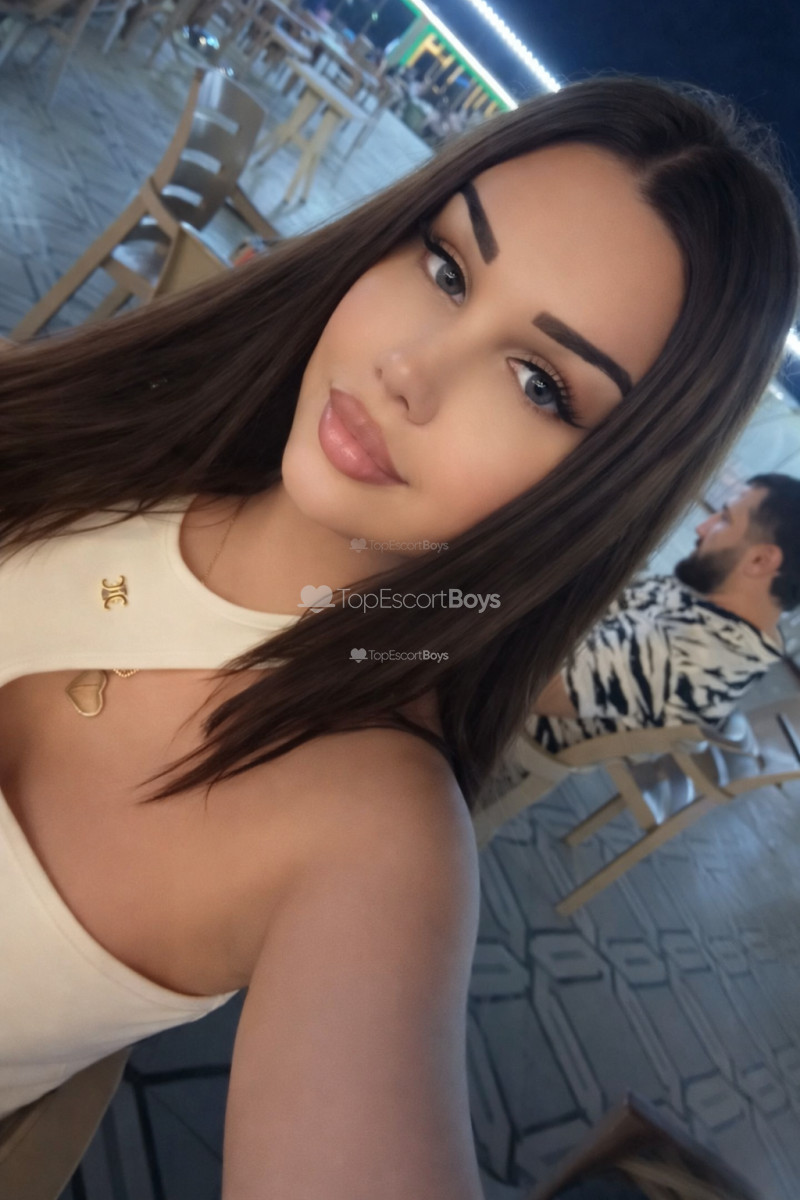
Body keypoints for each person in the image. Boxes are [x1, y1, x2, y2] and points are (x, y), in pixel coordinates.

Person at [0, 77, 797, 1199]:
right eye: (446, 268)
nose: (409, 371)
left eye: (538, 383)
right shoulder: (150, 419)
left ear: (600, 493)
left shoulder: (371, 832)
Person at [532, 474, 799, 753]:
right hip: (559, 625)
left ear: (760, 560)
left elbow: (536, 692)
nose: (701, 528)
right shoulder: (723, 614)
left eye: (724, 519)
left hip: (515, 727)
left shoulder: (690, 652)